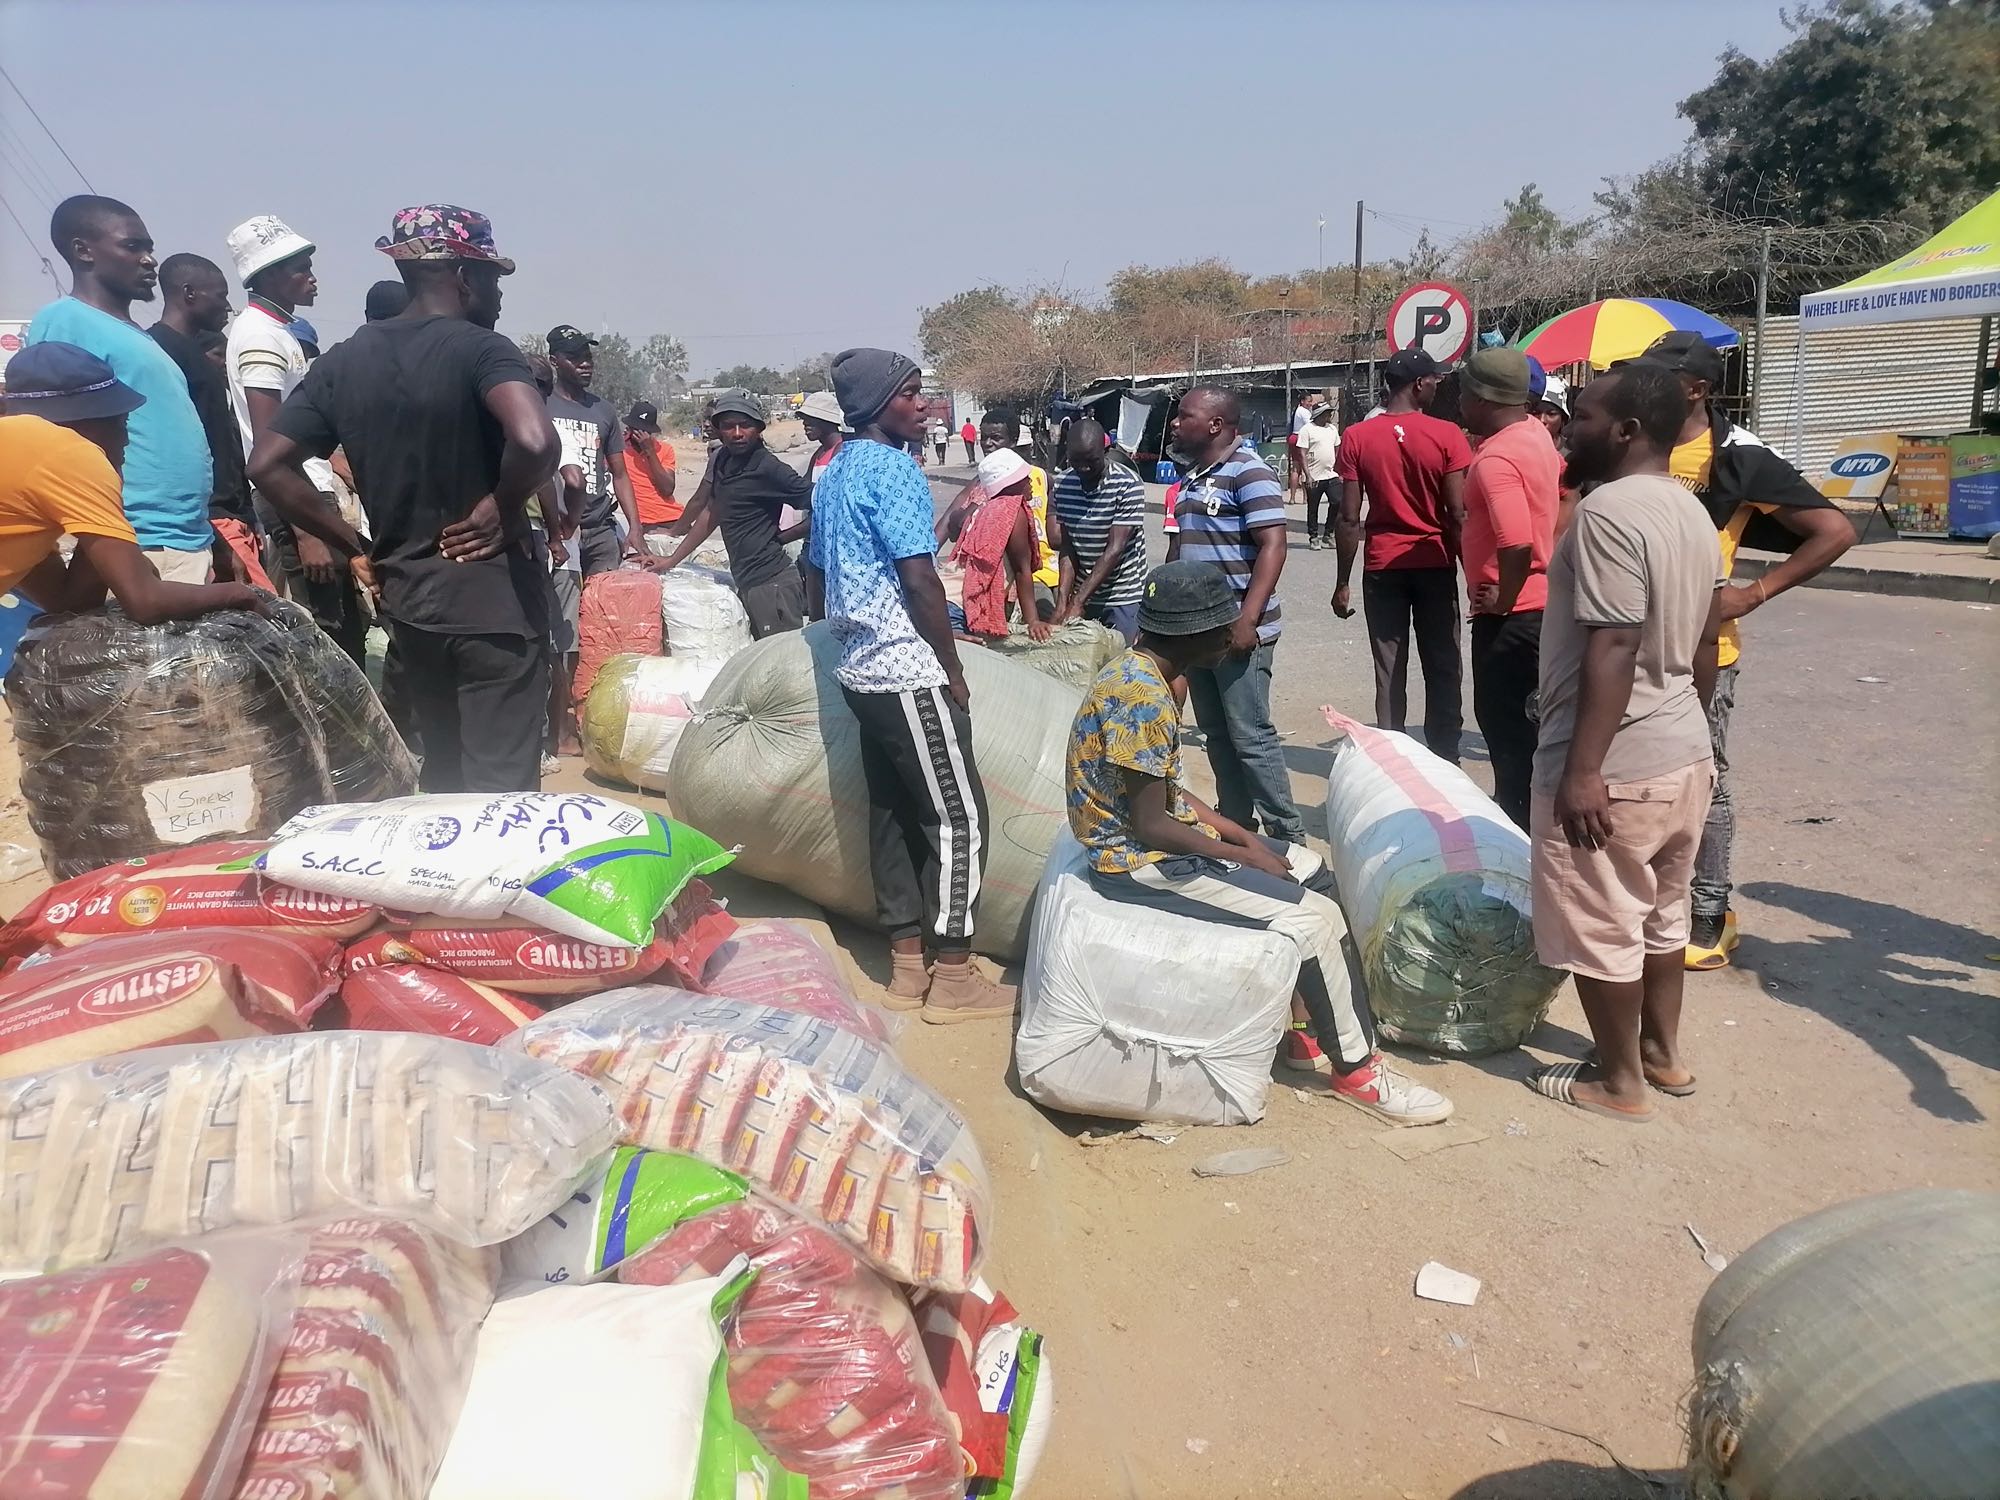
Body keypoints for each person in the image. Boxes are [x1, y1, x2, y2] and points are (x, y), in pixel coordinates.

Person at [1068, 559, 1454, 1122]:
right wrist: (1241, 853)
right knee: (1315, 921)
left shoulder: (1145, 671)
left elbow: (1165, 790)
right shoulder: (1142, 697)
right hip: (1136, 861)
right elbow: (1151, 826)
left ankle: (1307, 1028)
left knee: (1311, 869)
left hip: (1158, 839)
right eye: (1223, 627)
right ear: (1190, 633)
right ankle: (1358, 1071)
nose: (1234, 635)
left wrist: (1242, 836)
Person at [247, 203, 559, 794]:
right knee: (502, 795)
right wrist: (505, 503)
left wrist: (354, 544)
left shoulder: (344, 360)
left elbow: (266, 464)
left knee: (443, 774)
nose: (498, 295)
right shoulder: (483, 349)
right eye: (492, 278)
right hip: (494, 611)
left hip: (412, 609)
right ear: (464, 276)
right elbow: (536, 439)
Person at [1526, 363, 1726, 1125]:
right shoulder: (1691, 510)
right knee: (1662, 915)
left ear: (1626, 430)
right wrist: (1689, 726)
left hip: (1615, 763)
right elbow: (1706, 638)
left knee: (1602, 920)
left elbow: (1615, 641)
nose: (1566, 429)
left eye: (1581, 416)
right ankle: (1662, 1056)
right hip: (1681, 752)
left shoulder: (1607, 512)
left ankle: (1619, 1084)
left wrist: (1583, 771)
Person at [1627, 332, 1856, 971]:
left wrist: (1753, 594)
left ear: (1697, 390)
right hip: (1624, 642)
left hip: (1705, 650)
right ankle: (1645, 902)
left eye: (1660, 378)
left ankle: (1710, 911)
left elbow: (1834, 530)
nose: (1644, 387)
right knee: (1635, 776)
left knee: (1705, 777)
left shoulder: (1737, 456)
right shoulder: (1633, 438)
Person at [804, 349, 1010, 1023]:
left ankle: (906, 966)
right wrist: (951, 667)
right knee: (959, 818)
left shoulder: (835, 470)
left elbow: (815, 572)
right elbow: (920, 579)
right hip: (904, 668)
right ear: (875, 404)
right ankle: (953, 975)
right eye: (911, 393)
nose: (924, 404)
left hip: (859, 669)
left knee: (892, 813)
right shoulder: (894, 469)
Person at [0, 344, 266, 622]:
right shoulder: (66, 450)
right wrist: (238, 594)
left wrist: (104, 509)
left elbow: (71, 602)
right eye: (120, 423)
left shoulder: (20, 466)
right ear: (83, 421)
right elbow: (145, 602)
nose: (126, 439)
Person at [26, 196, 216, 582]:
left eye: (149, 248)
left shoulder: (139, 337)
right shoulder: (65, 321)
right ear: (83, 251)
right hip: (130, 539)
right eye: (132, 246)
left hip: (183, 538)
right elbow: (52, 438)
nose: (149, 260)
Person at [221, 215, 366, 665]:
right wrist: (308, 533)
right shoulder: (260, 337)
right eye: (301, 268)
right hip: (295, 496)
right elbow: (270, 445)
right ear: (268, 276)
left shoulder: (276, 331)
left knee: (346, 628)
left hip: (305, 490)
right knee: (329, 637)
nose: (312, 277)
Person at [1165, 386, 1305, 844]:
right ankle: (1237, 827)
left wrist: (1248, 619)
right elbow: (1180, 550)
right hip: (1198, 634)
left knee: (1251, 736)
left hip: (1238, 631)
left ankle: (1288, 838)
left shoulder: (1249, 470)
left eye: (1185, 416)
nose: (1175, 423)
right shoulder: (1192, 477)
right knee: (1216, 733)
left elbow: (1273, 545)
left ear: (1215, 425)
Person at [1331, 348, 1469, 762]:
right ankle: (1445, 755)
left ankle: (1393, 756)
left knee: (1389, 666)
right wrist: (1473, 575)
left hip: (1382, 566)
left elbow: (1349, 518)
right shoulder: (1447, 435)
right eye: (1434, 380)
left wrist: (1342, 582)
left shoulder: (1357, 437)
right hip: (1434, 562)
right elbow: (1457, 513)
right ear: (1419, 384)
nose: (1437, 386)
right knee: (1443, 662)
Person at [1458, 346, 1563, 826]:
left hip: (1512, 619)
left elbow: (1515, 541)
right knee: (1535, 733)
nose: (1459, 403)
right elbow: (1567, 493)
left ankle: (1521, 840)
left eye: (1463, 393)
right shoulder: (1536, 434)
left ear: (1481, 398)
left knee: (1509, 736)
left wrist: (1505, 595)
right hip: (1543, 609)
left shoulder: (1496, 458)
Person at [147, 253, 271, 590]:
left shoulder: (195, 356)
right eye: (220, 295)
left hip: (231, 516)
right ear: (190, 293)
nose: (227, 306)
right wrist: (212, 529)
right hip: (207, 521)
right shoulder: (159, 352)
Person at [653, 388, 810, 637]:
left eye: (745, 425)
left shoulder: (769, 468)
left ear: (759, 428)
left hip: (772, 584)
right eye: (728, 426)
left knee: (778, 658)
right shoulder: (723, 460)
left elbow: (822, 503)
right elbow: (711, 512)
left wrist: (782, 538)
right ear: (718, 429)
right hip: (747, 582)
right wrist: (671, 560)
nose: (737, 433)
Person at [545, 324, 642, 577]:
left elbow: (620, 474)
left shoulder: (603, 410)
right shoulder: (541, 404)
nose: (585, 364)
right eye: (574, 358)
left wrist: (635, 527)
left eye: (587, 357)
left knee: (604, 596)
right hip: (557, 530)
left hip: (599, 530)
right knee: (562, 599)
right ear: (554, 361)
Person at [1051, 418, 1148, 643]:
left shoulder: (1128, 483)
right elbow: (1068, 547)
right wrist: (1063, 602)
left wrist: (1078, 602)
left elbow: (1115, 548)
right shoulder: (1063, 484)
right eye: (1076, 460)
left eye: (1091, 460)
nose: (1083, 467)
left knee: (1123, 657)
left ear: (1105, 451)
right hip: (1083, 590)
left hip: (1122, 593)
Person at [946, 448, 1050, 642]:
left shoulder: (984, 507)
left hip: (944, 600)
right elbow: (1022, 570)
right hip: (959, 608)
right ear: (1011, 484)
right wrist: (1033, 621)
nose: (1030, 482)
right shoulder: (1012, 510)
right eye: (1024, 478)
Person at [977, 409, 1060, 600]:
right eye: (984, 438)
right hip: (1015, 574)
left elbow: (1055, 532)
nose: (988, 444)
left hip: (1047, 568)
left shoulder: (1041, 477)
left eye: (996, 438)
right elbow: (953, 522)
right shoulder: (984, 483)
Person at [621, 400, 681, 549]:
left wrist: (649, 452)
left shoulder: (665, 449)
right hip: (642, 522)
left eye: (645, 431)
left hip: (671, 518)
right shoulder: (620, 451)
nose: (640, 435)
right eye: (636, 430)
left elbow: (667, 489)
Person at [1297, 402, 1341, 550]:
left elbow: (1337, 447)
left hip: (1330, 474)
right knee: (1313, 507)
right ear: (1319, 414)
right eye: (1327, 413)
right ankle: (1314, 536)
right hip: (1314, 476)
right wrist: (1307, 475)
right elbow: (1302, 453)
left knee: (1337, 501)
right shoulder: (1307, 430)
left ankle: (1328, 534)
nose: (1329, 415)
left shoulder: (1332, 429)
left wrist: (1336, 466)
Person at [800, 390, 846, 487]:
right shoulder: (819, 453)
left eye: (810, 418)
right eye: (804, 419)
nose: (805, 423)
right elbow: (805, 488)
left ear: (827, 420)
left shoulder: (844, 451)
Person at [1286, 389, 1321, 501]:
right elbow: (1310, 425)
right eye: (1308, 401)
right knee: (1305, 468)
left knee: (1296, 468)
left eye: (1311, 401)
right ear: (1302, 401)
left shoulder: (1298, 410)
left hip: (1294, 438)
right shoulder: (1304, 412)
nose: (1310, 403)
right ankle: (1306, 498)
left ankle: (1292, 498)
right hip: (1300, 439)